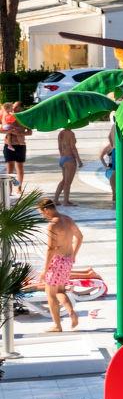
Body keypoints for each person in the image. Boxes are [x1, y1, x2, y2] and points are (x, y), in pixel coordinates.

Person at [36, 197, 81, 332]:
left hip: (57, 261)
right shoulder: (67, 219)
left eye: (41, 212)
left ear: (46, 210)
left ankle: (57, 325)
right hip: (67, 260)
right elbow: (80, 237)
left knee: (50, 293)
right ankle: (71, 312)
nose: (42, 215)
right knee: (60, 291)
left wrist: (45, 269)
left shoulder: (53, 225)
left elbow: (51, 249)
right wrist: (74, 254)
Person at [1, 106, 25, 197]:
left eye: (17, 109)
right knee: (9, 169)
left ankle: (19, 187)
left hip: (20, 145)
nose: (15, 110)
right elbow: (1, 130)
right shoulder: (7, 117)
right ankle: (9, 189)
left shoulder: (24, 119)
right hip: (8, 146)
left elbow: (29, 132)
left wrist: (19, 133)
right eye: (14, 109)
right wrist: (8, 130)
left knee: (20, 169)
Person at [53, 126, 78, 203]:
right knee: (68, 182)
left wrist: (63, 157)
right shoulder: (71, 133)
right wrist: (79, 160)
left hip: (63, 158)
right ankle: (66, 201)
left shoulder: (61, 133)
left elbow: (59, 147)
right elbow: (73, 148)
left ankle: (56, 200)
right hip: (70, 159)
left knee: (64, 181)